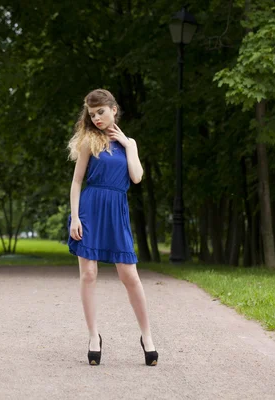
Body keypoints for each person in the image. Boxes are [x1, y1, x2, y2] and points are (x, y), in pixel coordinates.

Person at [67, 88, 158, 366]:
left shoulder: (129, 142)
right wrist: (75, 217)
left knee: (129, 275)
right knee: (89, 274)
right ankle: (94, 336)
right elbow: (77, 182)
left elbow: (137, 177)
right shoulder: (88, 142)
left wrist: (130, 147)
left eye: (101, 112)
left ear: (113, 110)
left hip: (116, 211)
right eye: (92, 114)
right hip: (90, 209)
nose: (96, 118)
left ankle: (147, 337)